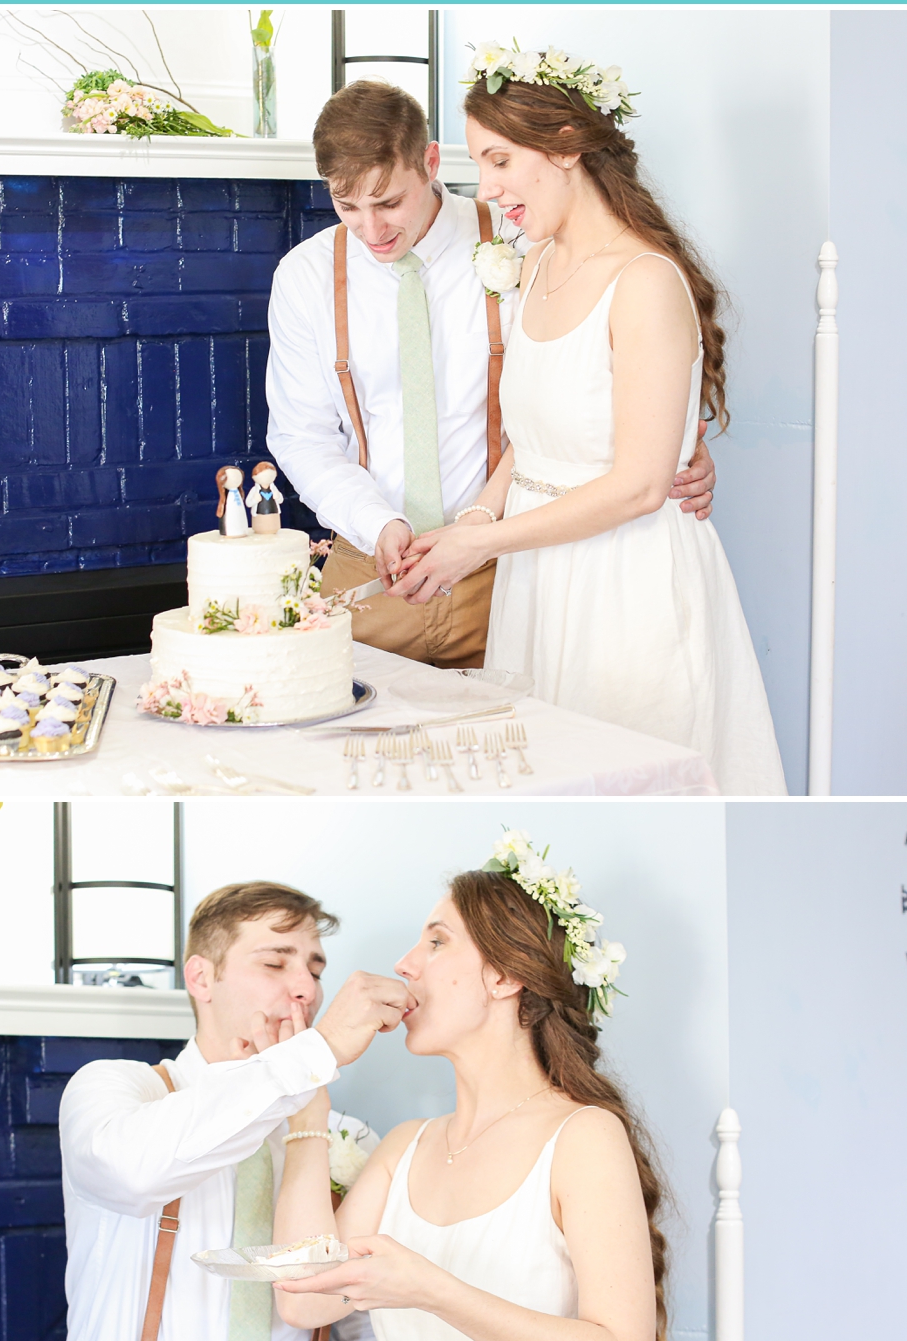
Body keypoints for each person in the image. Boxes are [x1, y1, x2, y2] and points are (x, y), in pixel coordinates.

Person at [271, 832, 670, 1341]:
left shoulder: (583, 1137)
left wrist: (432, 1287)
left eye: (436, 939)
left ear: (505, 976)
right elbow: (299, 1295)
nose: (406, 963)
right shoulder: (405, 1147)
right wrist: (305, 1108)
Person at [391, 47, 787, 794]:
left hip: (625, 583)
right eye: (480, 163)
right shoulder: (533, 265)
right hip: (540, 579)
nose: (490, 187)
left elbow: (640, 486)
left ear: (566, 147)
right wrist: (472, 519)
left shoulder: (643, 282)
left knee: (628, 782)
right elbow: (532, 441)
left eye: (501, 160)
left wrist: (479, 548)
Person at [266, 79, 716, 670]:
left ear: (429, 163)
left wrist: (686, 447)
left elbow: (606, 374)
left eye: (388, 203)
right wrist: (379, 525)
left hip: (511, 572)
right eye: (347, 207)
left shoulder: (524, 236)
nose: (371, 231)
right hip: (374, 567)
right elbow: (301, 435)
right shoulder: (305, 276)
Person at [48, 881, 405, 1341]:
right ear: (201, 976)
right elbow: (136, 1167)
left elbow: (362, 1331)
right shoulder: (115, 1092)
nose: (303, 986)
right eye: (276, 962)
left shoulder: (325, 1135)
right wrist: (316, 1055)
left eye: (314, 965)